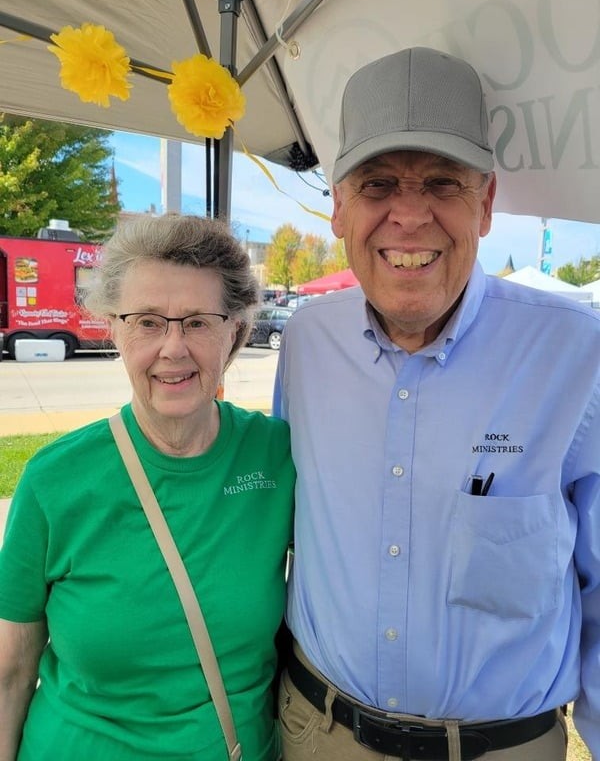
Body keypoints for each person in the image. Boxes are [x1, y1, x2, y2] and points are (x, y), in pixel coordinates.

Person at [273, 46, 600, 761]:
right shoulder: (305, 341)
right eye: (379, 183)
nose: (410, 216)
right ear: (339, 207)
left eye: (443, 184)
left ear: (485, 204)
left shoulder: (579, 355)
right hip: (316, 734)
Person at [0, 214, 295, 761]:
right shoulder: (54, 481)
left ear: (236, 329)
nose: (174, 348)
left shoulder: (276, 456)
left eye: (199, 322)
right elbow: (11, 671)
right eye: (148, 322)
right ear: (113, 328)